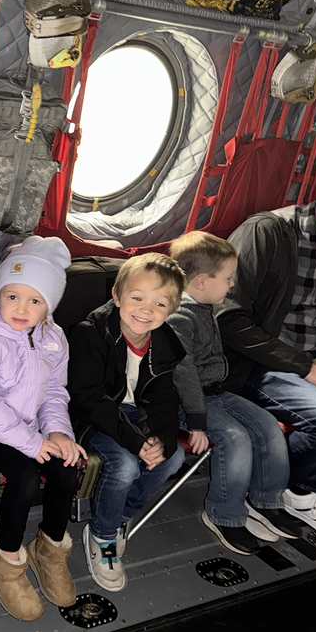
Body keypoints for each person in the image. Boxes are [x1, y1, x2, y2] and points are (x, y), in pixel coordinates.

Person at [218, 150, 316, 544]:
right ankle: (269, 487)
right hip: (251, 365)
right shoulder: (268, 232)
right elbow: (228, 319)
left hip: (306, 363)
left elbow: (315, 315)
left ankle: (302, 489)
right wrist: (305, 368)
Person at [0, 236, 83, 621]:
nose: (22, 308)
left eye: (36, 301)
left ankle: (50, 550)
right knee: (23, 476)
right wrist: (30, 441)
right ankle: (5, 561)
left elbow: (55, 391)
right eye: (13, 297)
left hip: (27, 426)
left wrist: (57, 433)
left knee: (66, 466)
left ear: (49, 305)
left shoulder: (52, 337)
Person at [168, 232, 301, 555]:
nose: (231, 285)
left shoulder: (202, 307)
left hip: (215, 392)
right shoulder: (180, 316)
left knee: (267, 424)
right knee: (235, 437)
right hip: (188, 402)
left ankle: (267, 500)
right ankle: (224, 515)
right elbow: (182, 376)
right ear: (201, 282)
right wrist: (197, 417)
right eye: (228, 278)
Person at [67, 253, 187, 593]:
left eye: (160, 304)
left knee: (174, 457)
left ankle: (117, 516)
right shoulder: (90, 334)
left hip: (138, 416)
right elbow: (90, 399)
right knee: (123, 466)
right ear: (117, 296)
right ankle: (102, 536)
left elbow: (164, 397)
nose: (146, 310)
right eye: (137, 298)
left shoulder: (163, 342)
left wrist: (161, 439)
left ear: (171, 310)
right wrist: (136, 443)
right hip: (91, 417)